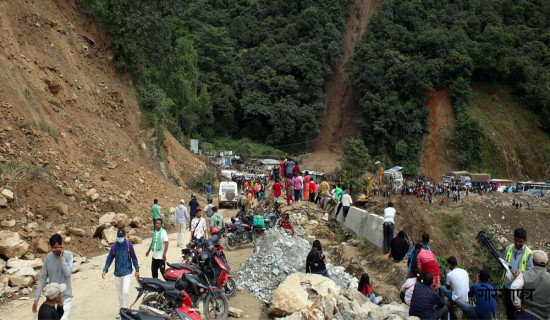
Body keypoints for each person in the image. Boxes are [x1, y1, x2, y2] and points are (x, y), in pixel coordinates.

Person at [34, 234, 73, 320]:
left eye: (56, 247)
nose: (54, 250)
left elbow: (68, 274)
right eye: (52, 248)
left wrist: (62, 259)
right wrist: (36, 299)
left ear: (61, 245)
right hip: (52, 299)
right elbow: (42, 279)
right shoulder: (48, 258)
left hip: (65, 297)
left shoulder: (68, 256)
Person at [102, 229, 140, 310]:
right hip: (117, 274)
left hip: (127, 272)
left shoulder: (129, 245)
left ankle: (125, 310)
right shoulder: (114, 247)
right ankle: (121, 309)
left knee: (125, 292)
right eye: (119, 237)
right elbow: (109, 259)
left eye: (121, 236)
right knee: (119, 294)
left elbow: (134, 258)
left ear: (124, 236)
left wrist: (137, 269)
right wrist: (105, 269)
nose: (120, 238)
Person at [502, 228, 534, 319]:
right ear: (513, 238)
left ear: (525, 241)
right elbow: (504, 263)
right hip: (507, 286)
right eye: (516, 240)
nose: (518, 243)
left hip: (519, 290)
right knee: (509, 312)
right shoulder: (509, 248)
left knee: (517, 314)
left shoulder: (529, 253)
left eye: (521, 241)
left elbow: (531, 271)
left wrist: (521, 272)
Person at [510, 250, 550, 320]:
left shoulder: (524, 275)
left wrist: (518, 305)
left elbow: (513, 289)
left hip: (524, 314)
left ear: (533, 261)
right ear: (547, 263)